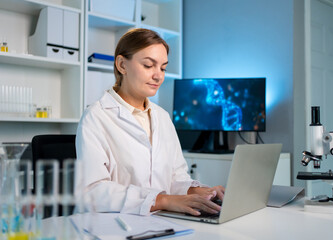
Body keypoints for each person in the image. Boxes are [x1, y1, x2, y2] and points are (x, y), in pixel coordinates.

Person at [76, 28, 224, 216]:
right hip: (118, 225)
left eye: (163, 68)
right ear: (122, 65)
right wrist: (162, 200)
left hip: (164, 221)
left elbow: (175, 177)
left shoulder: (162, 117)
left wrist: (198, 192)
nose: (158, 76)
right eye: (148, 65)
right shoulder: (96, 117)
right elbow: (93, 192)